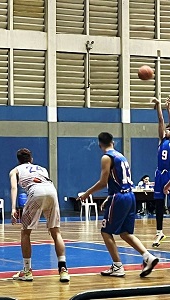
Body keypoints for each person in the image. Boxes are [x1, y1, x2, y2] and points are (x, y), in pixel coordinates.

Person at [78, 132, 159, 278]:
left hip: (119, 197)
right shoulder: (121, 156)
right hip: (130, 196)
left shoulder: (106, 157)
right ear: (113, 142)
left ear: (99, 144)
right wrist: (110, 198)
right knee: (125, 233)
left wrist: (86, 193)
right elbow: (120, 181)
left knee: (105, 231)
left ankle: (117, 266)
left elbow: (103, 182)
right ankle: (148, 257)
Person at [9, 148, 70, 282]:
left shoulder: (15, 170)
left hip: (35, 191)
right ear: (31, 159)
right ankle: (63, 269)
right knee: (56, 232)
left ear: (19, 160)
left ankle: (27, 271)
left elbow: (14, 188)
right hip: (52, 191)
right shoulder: (42, 168)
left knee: (25, 232)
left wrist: (13, 208)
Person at [151, 97, 170, 247]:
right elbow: (160, 120)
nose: (166, 130)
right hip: (159, 174)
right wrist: (159, 106)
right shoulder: (162, 140)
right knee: (158, 203)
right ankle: (159, 233)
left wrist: (169, 109)